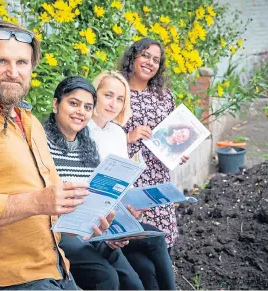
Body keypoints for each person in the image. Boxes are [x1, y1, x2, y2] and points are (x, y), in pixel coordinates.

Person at [0, 20, 111, 291]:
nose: (13, 72)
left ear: (31, 70)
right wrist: (37, 202)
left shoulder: (31, 123)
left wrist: (85, 218)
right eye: (1, 61)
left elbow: (48, 203)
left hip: (54, 268)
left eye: (22, 63)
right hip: (3, 280)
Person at [44, 76, 144, 290]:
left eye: (88, 107)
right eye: (73, 103)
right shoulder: (42, 143)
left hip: (89, 229)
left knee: (133, 283)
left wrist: (111, 234)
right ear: (55, 104)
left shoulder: (88, 146)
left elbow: (98, 200)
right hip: (59, 230)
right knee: (106, 277)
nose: (81, 111)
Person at [90, 71, 176, 290]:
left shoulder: (117, 133)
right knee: (156, 238)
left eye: (120, 99)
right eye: (108, 95)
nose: (114, 104)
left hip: (118, 214)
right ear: (94, 94)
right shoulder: (82, 130)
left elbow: (123, 180)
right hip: (95, 219)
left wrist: (133, 206)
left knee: (146, 268)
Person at [118, 37, 189, 257]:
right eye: (145, 55)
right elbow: (100, 133)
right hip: (130, 177)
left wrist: (180, 151)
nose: (150, 62)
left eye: (156, 60)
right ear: (133, 57)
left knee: (162, 245)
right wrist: (128, 137)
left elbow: (172, 133)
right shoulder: (118, 93)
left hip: (159, 177)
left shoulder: (164, 96)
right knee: (133, 246)